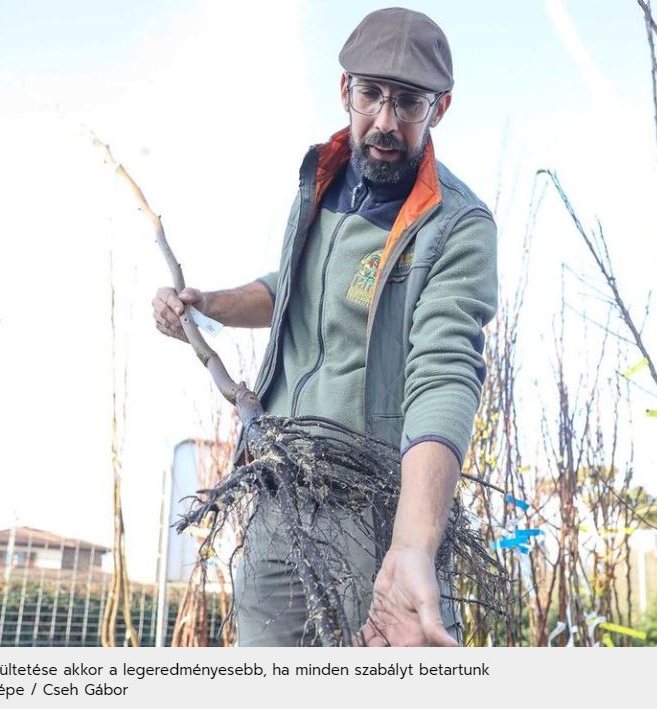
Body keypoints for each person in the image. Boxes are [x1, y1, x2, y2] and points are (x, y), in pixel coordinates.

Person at [152, 7, 497, 647]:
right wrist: (206, 304)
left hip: (375, 512)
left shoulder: (458, 226)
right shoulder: (319, 181)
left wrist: (412, 545)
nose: (386, 121)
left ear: (439, 109)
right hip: (278, 491)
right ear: (346, 91)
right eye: (371, 95)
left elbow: (446, 374)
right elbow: (293, 290)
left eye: (409, 103)